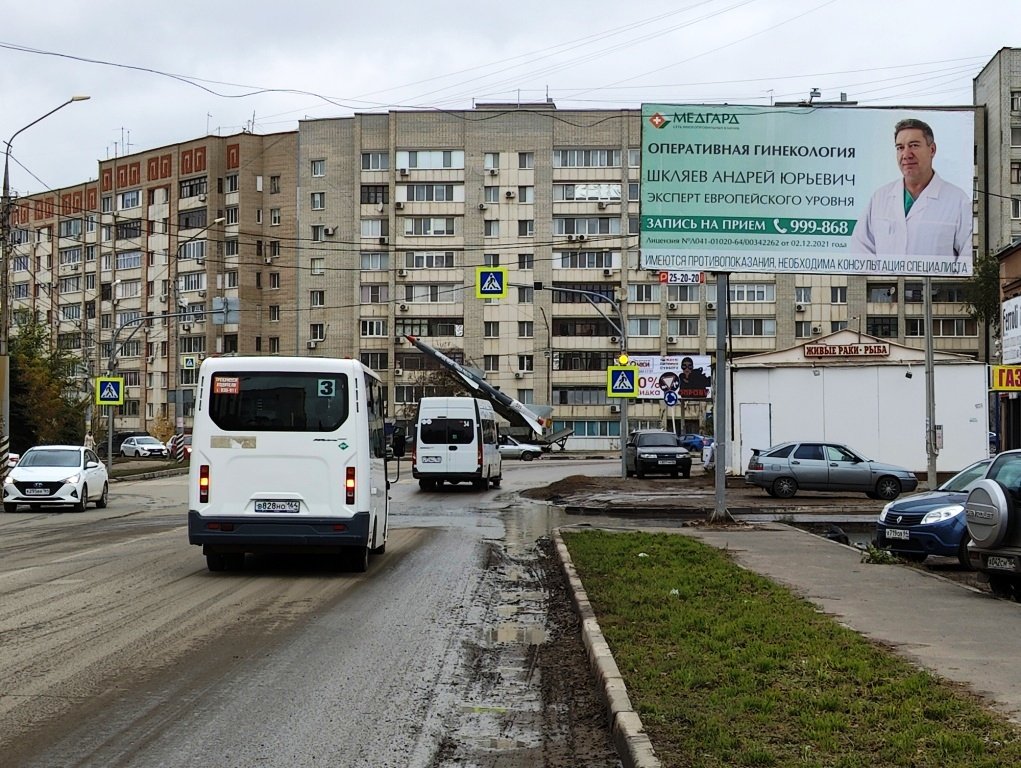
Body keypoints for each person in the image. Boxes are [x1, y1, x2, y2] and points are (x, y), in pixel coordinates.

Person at [850, 118, 972, 261]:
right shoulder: (880, 198)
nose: (906, 155)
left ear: (932, 150)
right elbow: (861, 249)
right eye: (900, 148)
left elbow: (967, 258)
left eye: (914, 145)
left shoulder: (958, 200)